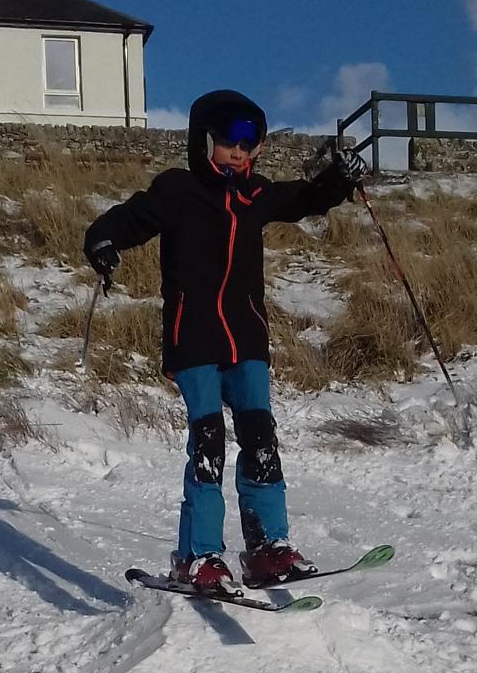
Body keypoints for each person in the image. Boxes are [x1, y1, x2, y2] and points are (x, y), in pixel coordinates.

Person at [83, 90, 362, 591]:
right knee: (208, 443)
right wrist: (102, 240)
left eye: (248, 144)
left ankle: (267, 547)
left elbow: (303, 199)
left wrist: (338, 180)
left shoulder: (255, 195)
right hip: (194, 336)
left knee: (260, 439)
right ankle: (199, 556)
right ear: (204, 141)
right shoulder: (179, 189)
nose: (238, 152)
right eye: (229, 141)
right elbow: (131, 218)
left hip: (246, 336)